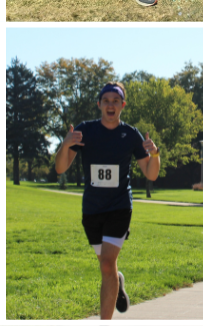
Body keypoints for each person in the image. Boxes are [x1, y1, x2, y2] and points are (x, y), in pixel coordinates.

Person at [53, 82, 160, 319]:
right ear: (99, 104)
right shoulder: (84, 132)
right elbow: (60, 168)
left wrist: (155, 154)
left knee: (106, 263)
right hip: (92, 209)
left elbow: (151, 174)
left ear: (122, 105)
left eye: (115, 101)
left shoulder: (131, 134)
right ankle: (117, 281)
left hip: (119, 206)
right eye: (106, 100)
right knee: (106, 266)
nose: (110, 105)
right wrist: (66, 143)